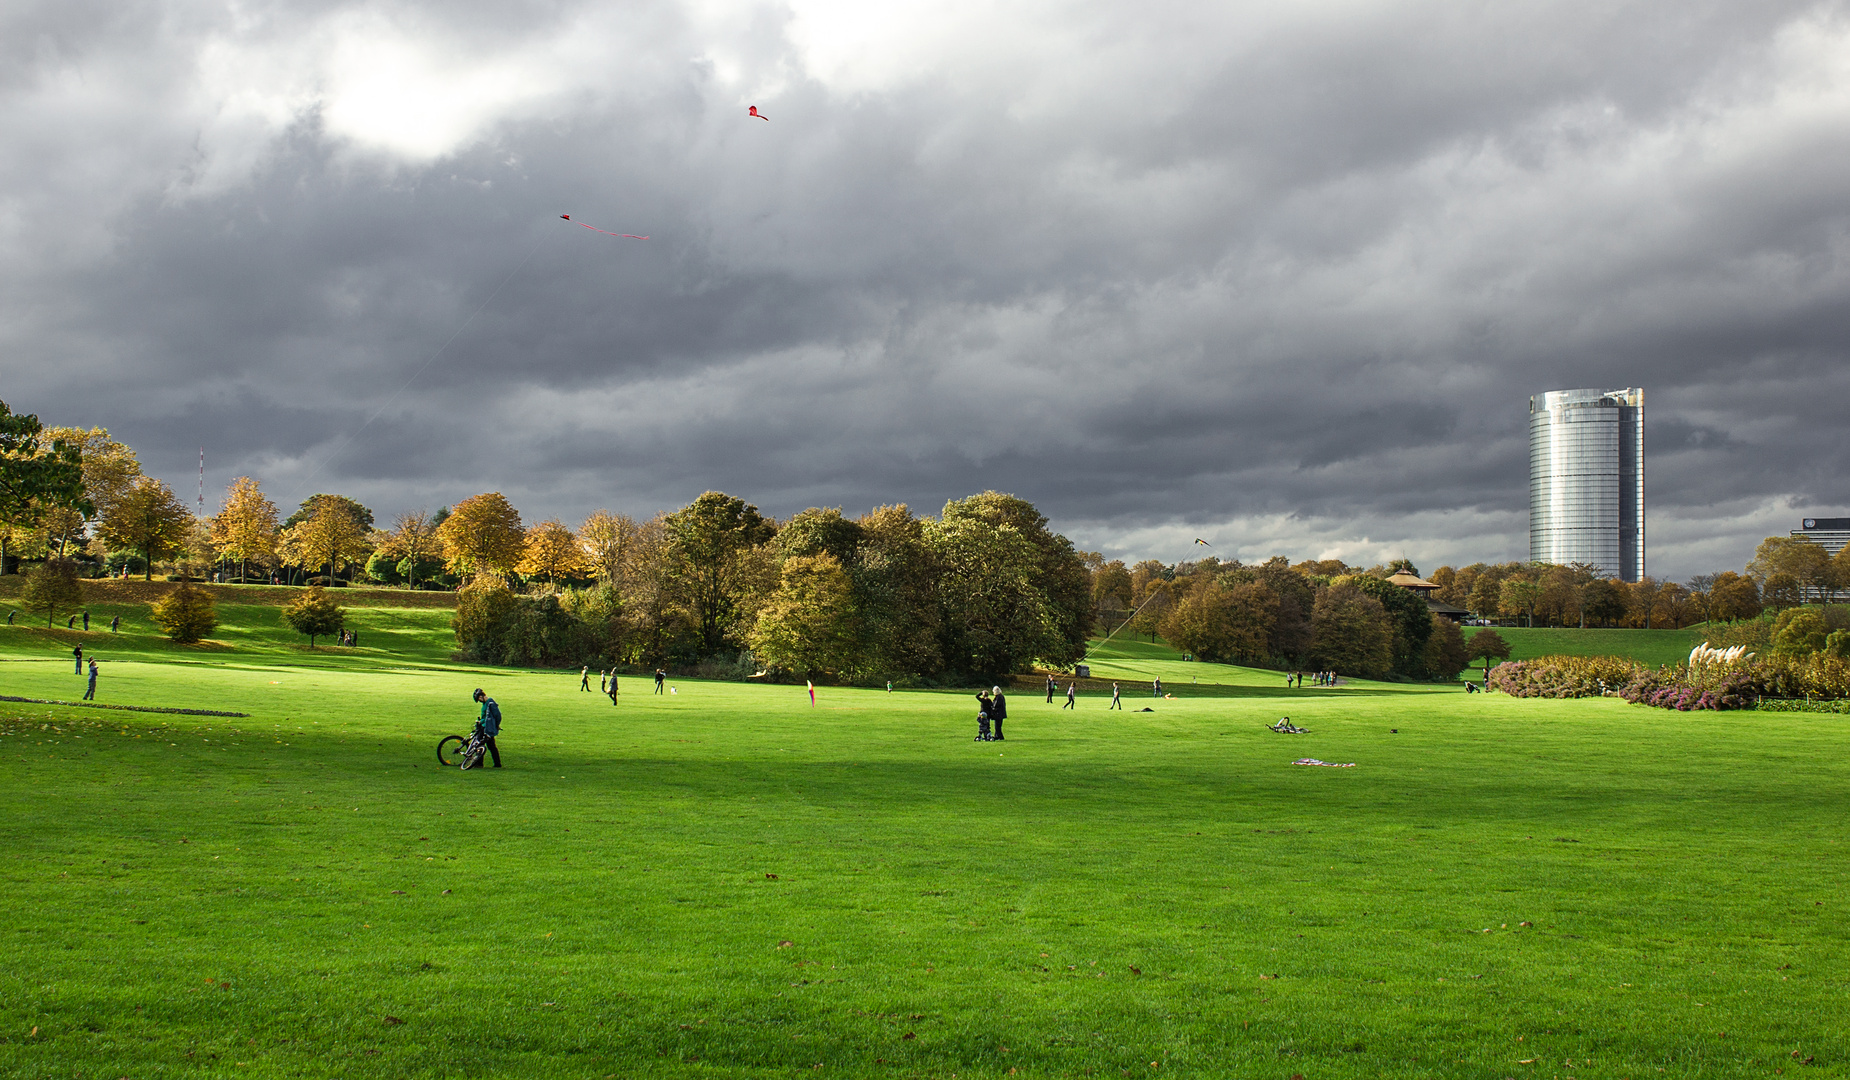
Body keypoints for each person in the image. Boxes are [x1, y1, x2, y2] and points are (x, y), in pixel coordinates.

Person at [471, 688, 503, 768]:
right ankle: (497, 763)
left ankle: (479, 763)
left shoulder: (490, 703)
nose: (479, 701)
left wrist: (496, 725)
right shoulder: (485, 703)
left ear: (482, 696)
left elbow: (497, 715)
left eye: (479, 698)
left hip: (487, 728)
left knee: (480, 744)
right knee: (491, 746)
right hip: (484, 726)